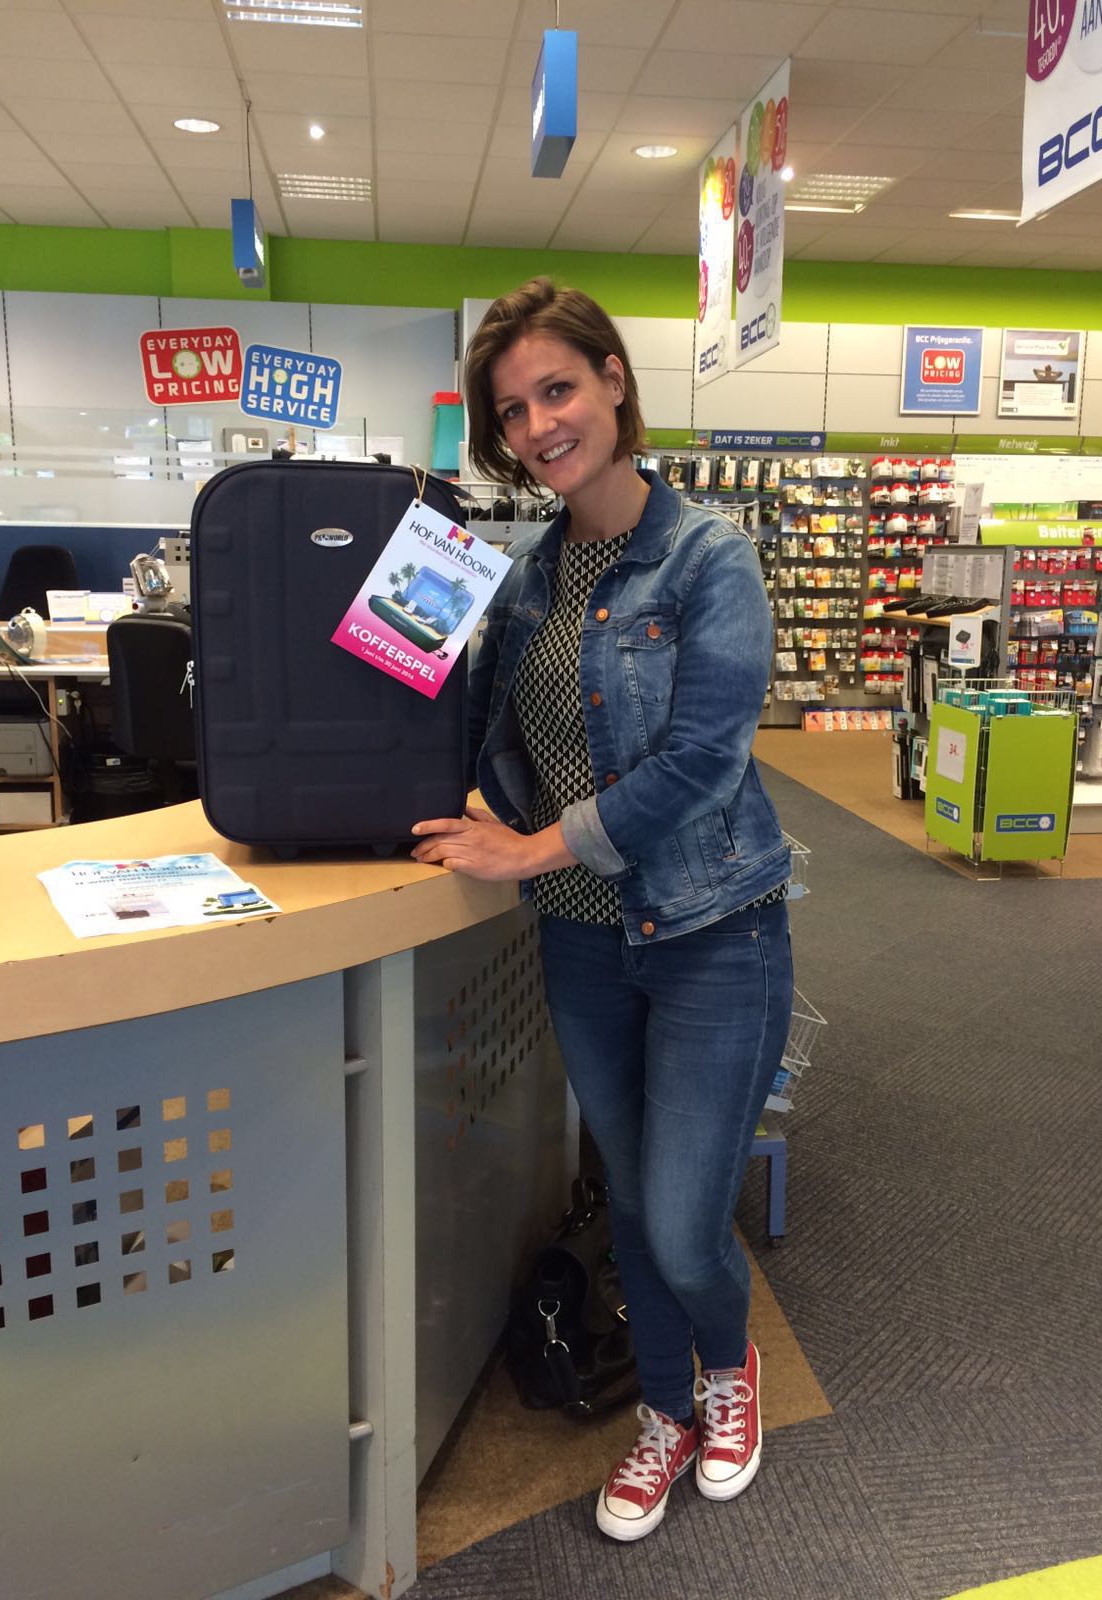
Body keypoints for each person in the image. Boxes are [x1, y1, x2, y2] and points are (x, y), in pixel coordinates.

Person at [411, 278, 793, 1543]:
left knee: (683, 1217)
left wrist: (531, 846)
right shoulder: (524, 583)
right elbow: (474, 728)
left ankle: (731, 1371)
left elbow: (702, 763)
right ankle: (668, 1413)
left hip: (712, 932)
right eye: (513, 410)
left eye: (558, 389)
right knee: (629, 1196)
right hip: (582, 939)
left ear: (615, 382)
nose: (538, 426)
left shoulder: (709, 558)